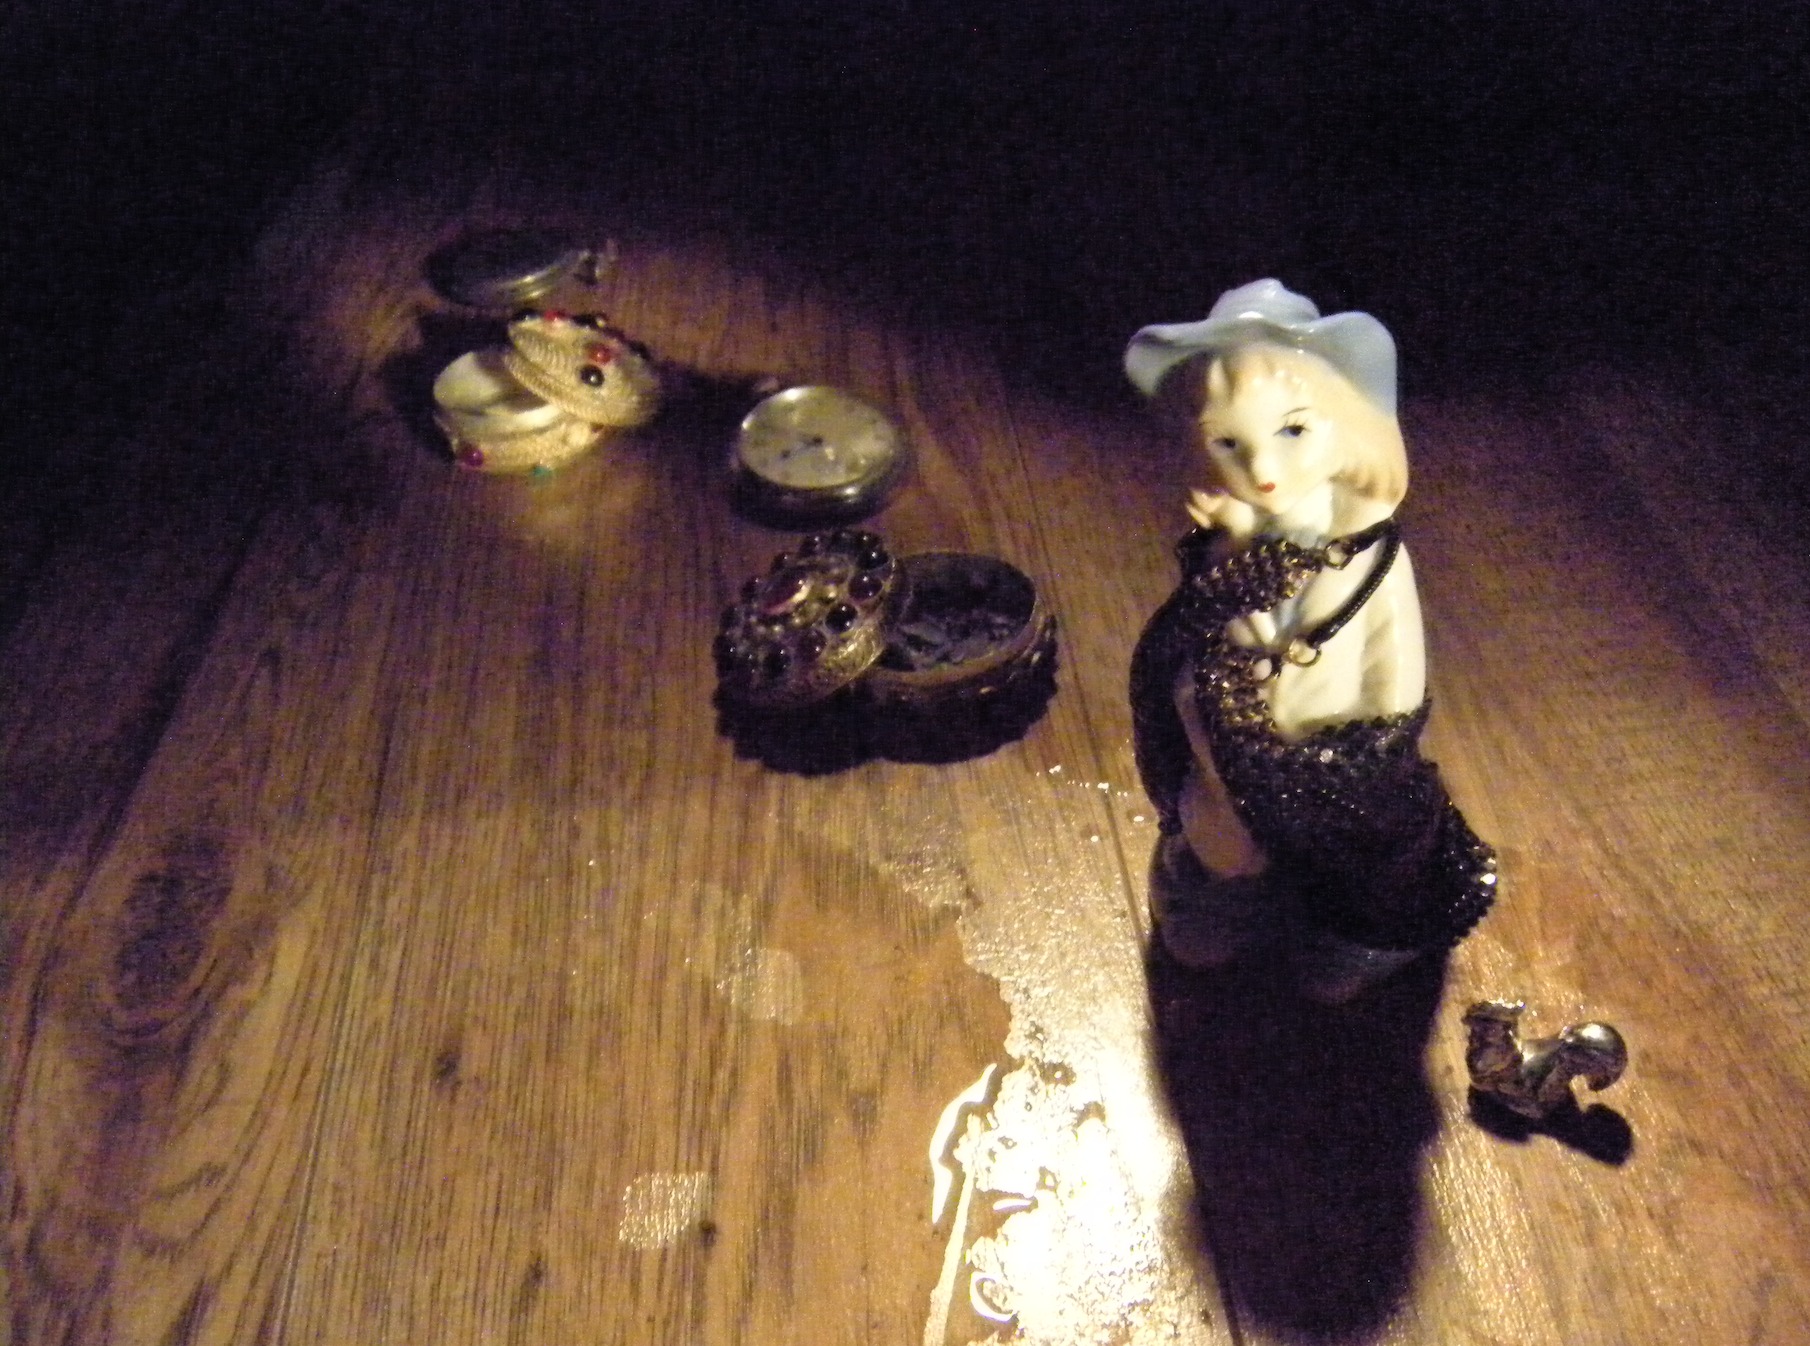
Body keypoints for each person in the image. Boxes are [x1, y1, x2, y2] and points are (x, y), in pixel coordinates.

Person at [1126, 280, 1496, 1002]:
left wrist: (1359, 747)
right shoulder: (1234, 535)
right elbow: (1209, 616)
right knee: (1221, 835)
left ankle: (1351, 932)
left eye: (1293, 432)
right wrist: (1230, 548)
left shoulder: (1370, 555)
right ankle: (1222, 893)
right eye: (1229, 444)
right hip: (1230, 745)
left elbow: (1395, 672)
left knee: (1359, 854)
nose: (1263, 472)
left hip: (1334, 763)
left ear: (1343, 425)